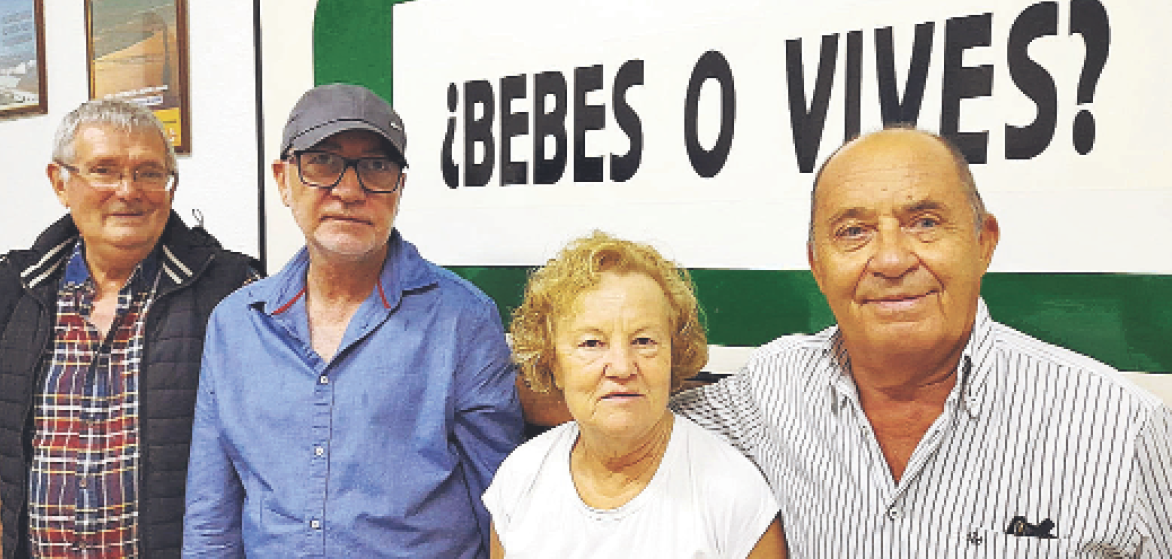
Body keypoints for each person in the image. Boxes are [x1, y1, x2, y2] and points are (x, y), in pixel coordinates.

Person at [670, 126, 1172, 556]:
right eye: (853, 232)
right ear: (817, 265)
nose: (891, 259)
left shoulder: (1124, 430)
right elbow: (629, 415)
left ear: (984, 242)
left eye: (925, 223)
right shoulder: (770, 390)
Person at [182, 83, 524, 558]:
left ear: (399, 188)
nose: (349, 190)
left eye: (376, 167)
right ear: (283, 180)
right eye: (322, 163)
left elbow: (507, 509)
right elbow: (211, 516)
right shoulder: (235, 326)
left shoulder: (463, 321)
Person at [0, 100, 259, 559]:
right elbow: (5, 450)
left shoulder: (231, 292)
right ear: (60, 183)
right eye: (103, 170)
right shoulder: (14, 289)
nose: (128, 190)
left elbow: (262, 457)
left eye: (149, 173)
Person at [486, 232, 788, 558]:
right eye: (591, 343)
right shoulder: (519, 478)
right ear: (553, 363)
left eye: (643, 341)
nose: (621, 367)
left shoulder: (734, 495)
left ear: (674, 355)